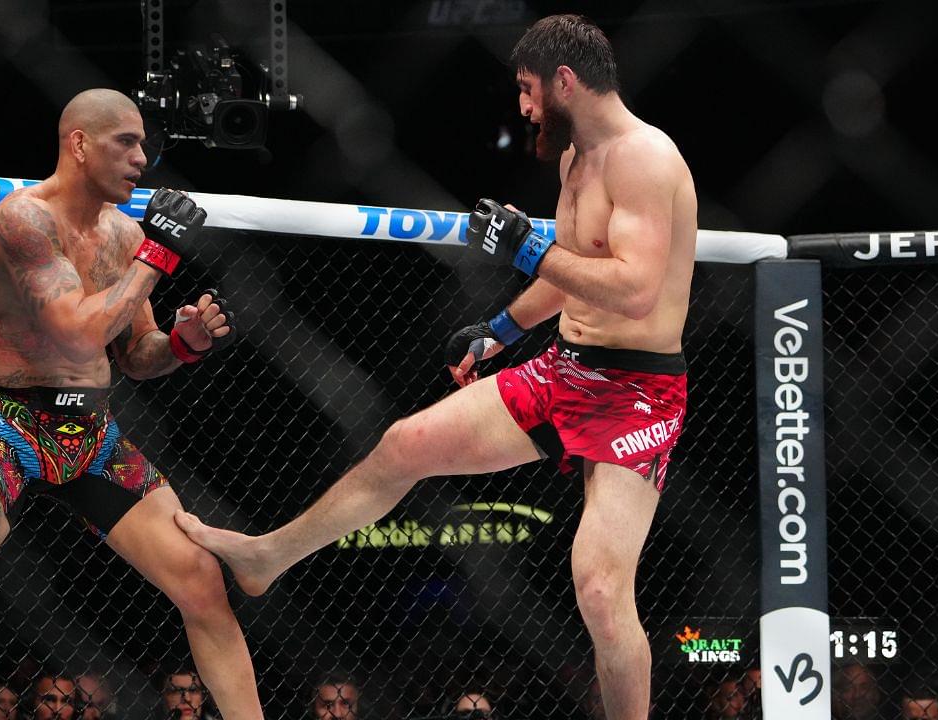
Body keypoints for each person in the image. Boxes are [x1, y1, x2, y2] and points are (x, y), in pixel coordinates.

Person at [174, 14, 696, 720]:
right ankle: (267, 557)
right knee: (403, 445)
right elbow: (578, 267)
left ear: (565, 80)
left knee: (601, 589)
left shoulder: (647, 158)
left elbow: (633, 289)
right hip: (565, 365)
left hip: (637, 391)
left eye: (528, 89)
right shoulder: (578, 158)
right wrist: (503, 328)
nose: (524, 107)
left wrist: (526, 249)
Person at [0, 88, 262, 720]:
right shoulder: (24, 220)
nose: (141, 159)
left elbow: (134, 355)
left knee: (202, 581)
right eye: (125, 142)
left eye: (145, 146)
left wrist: (185, 342)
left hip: (92, 437)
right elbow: (74, 328)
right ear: (79, 143)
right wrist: (156, 256)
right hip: (6, 431)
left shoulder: (126, 234)